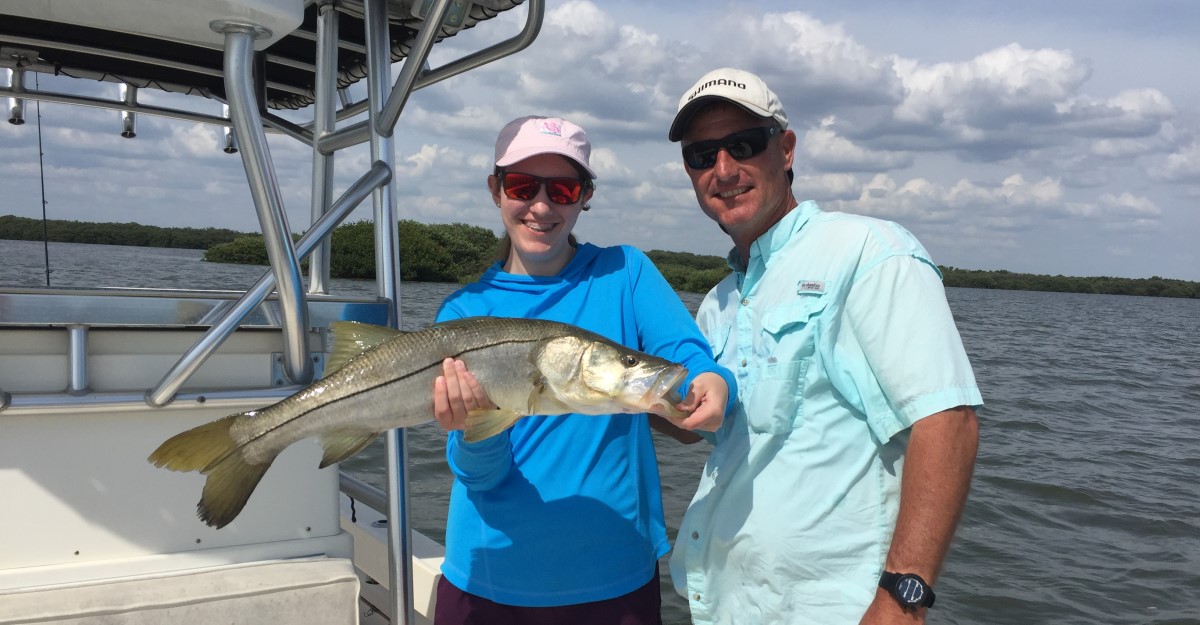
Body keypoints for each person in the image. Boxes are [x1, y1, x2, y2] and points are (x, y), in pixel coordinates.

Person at [665, 68, 982, 625]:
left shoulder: (869, 251)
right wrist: (598, 390)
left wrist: (902, 601)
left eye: (743, 144)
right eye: (701, 154)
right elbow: (705, 429)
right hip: (728, 605)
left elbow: (946, 422)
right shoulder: (719, 301)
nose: (723, 169)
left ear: (785, 149)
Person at [427, 115, 736, 625]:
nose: (542, 206)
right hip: (490, 577)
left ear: (585, 195)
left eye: (564, 188)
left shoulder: (625, 271)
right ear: (495, 189)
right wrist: (476, 433)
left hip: (616, 577)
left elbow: (685, 353)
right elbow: (477, 476)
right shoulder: (463, 313)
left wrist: (711, 381)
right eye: (523, 186)